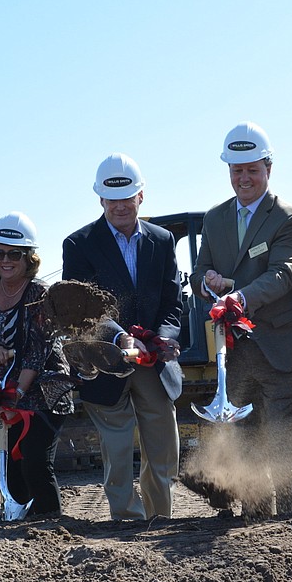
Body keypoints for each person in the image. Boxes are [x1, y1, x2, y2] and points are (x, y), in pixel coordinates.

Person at [191, 122, 292, 517]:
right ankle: (256, 518)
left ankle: (287, 517)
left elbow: (282, 275)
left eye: (252, 170)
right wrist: (207, 282)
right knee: (244, 436)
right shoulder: (215, 219)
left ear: (268, 169)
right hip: (238, 351)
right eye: (237, 170)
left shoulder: (289, 219)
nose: (244, 178)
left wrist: (239, 297)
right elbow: (199, 271)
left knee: (282, 437)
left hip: (282, 348)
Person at [62, 153, 183, 521]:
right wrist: (119, 339)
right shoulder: (79, 245)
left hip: (153, 366)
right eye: (112, 199)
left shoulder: (162, 241)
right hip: (105, 365)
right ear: (100, 198)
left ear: (140, 196)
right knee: (116, 454)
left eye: (127, 198)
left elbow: (172, 303)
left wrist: (162, 338)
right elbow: (82, 308)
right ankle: (127, 524)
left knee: (163, 450)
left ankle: (159, 520)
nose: (119, 206)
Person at [0, 212, 74, 518]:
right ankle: (17, 521)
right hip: (1, 391)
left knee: (35, 461)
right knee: (9, 467)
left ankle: (50, 524)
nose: (5, 260)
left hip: (43, 391)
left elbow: (37, 353)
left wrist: (17, 395)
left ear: (29, 257)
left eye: (14, 254)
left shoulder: (40, 293)